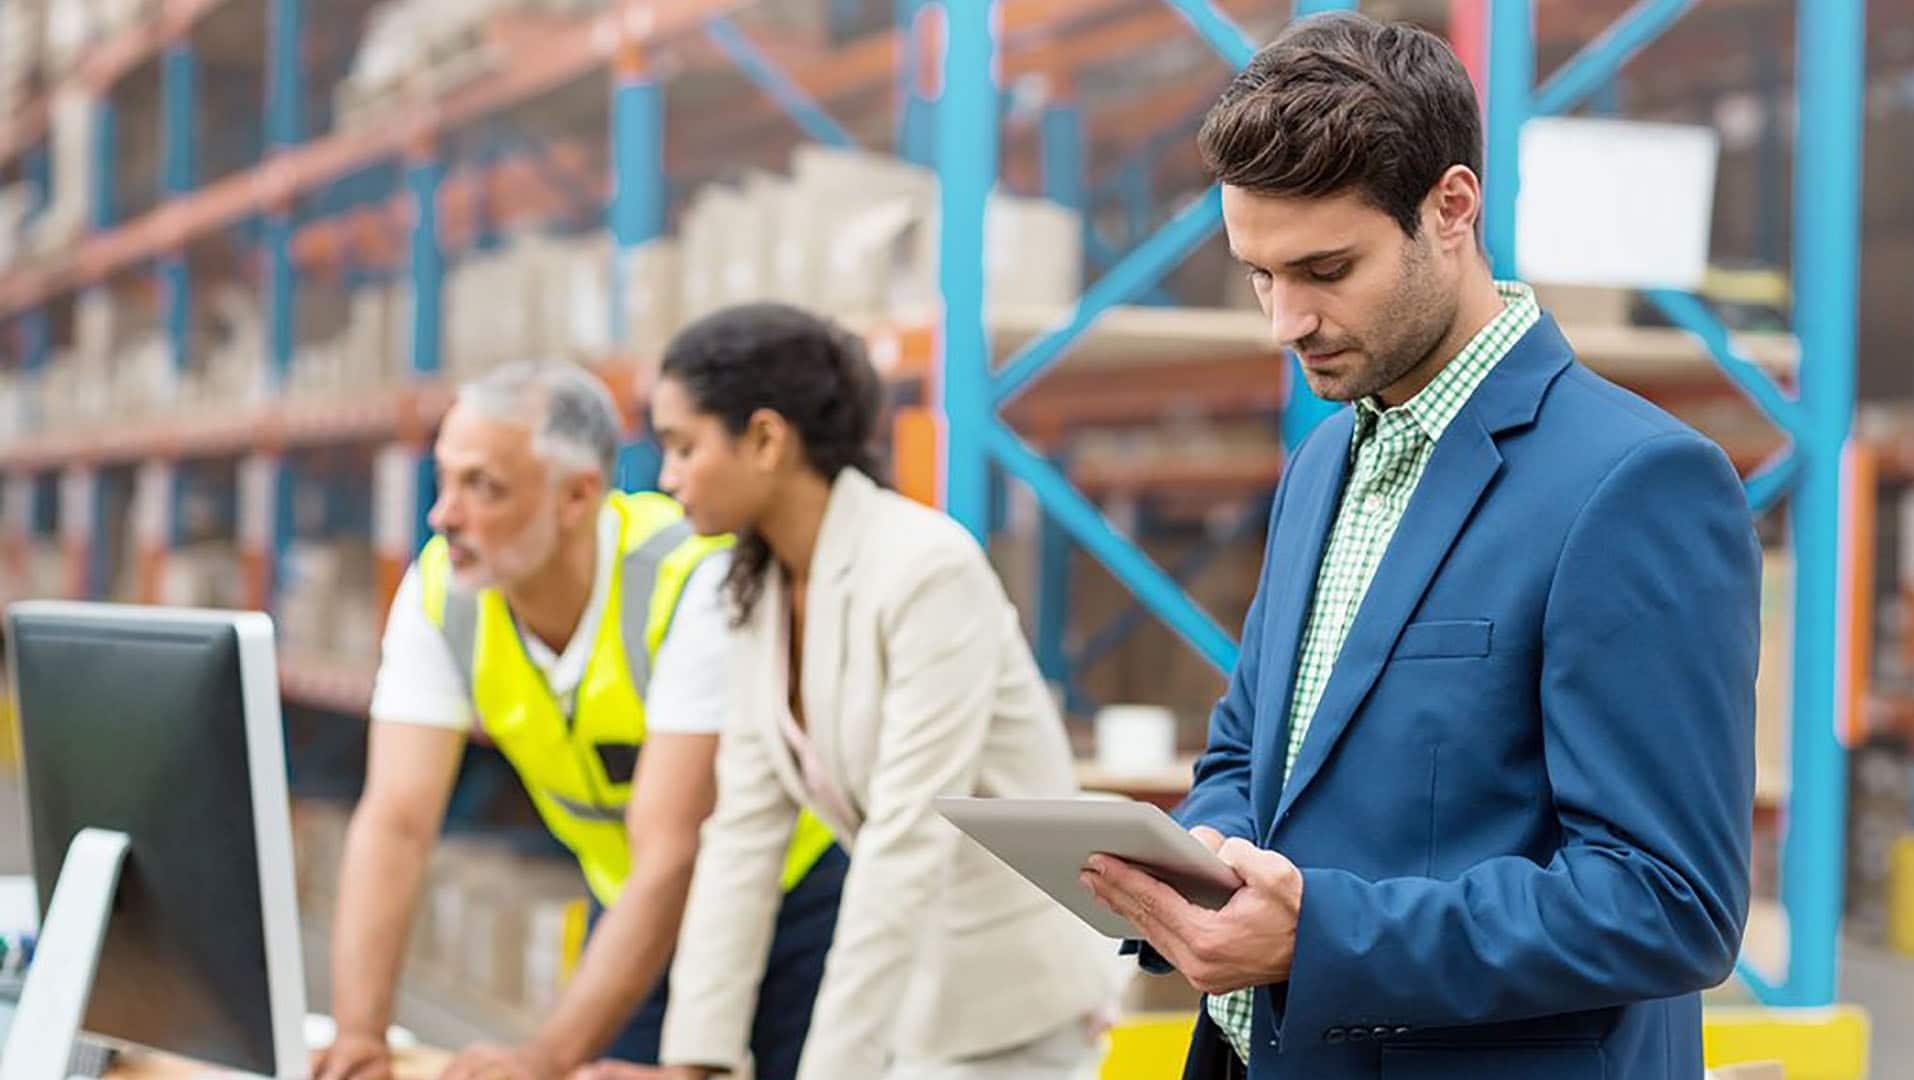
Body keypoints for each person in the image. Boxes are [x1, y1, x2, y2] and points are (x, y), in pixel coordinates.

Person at [1081, 12, 1759, 1080]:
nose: (1285, 323)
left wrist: (1318, 936)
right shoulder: (1323, 465)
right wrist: (1204, 862)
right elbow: (1246, 756)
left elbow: (1666, 902)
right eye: (1259, 276)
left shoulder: (1635, 485)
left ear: (1451, 208)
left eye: (1325, 268)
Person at [310, 362, 845, 1080]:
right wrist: (359, 1037)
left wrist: (543, 1059)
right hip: (632, 902)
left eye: (483, 487)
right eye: (444, 480)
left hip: (793, 899)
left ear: (577, 497)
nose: (444, 516)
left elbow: (672, 851)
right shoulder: (444, 593)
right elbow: (396, 821)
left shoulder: (693, 582)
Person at [638, 303, 1117, 1080]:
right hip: (912, 1003)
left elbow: (907, 839)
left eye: (682, 446)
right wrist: (696, 1057)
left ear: (765, 438)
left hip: (1007, 1007)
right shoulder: (758, 588)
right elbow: (743, 838)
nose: (667, 477)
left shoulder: (926, 568)